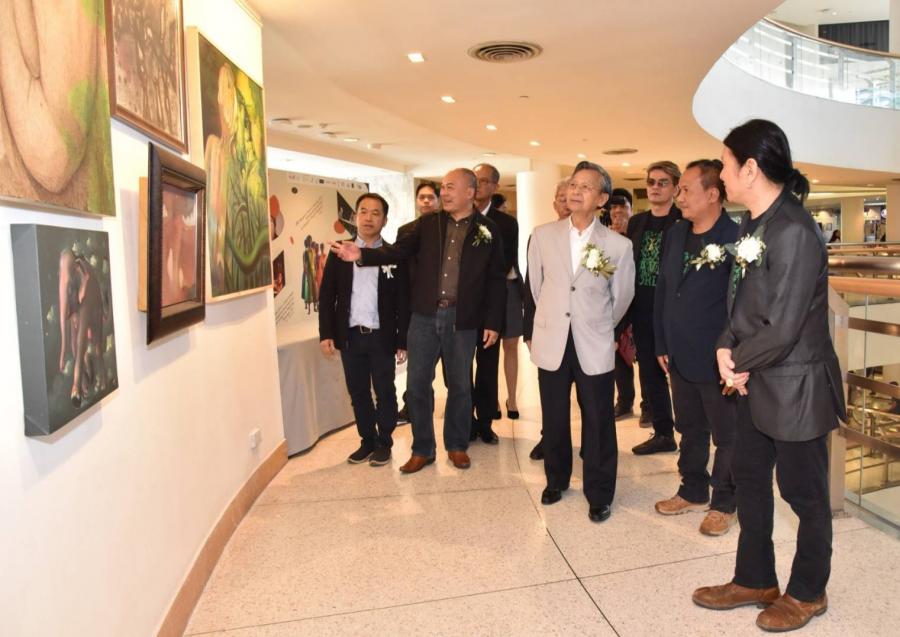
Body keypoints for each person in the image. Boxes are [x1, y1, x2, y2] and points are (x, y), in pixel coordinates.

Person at [692, 119, 846, 633]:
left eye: (725, 164)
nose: (721, 174)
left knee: (804, 494)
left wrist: (736, 363)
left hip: (795, 387)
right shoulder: (751, 224)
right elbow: (740, 305)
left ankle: (809, 590)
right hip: (755, 381)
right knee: (751, 481)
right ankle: (755, 578)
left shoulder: (796, 231)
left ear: (751, 168)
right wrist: (724, 346)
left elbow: (783, 325)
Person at [331, 169, 506, 473]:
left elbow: (495, 278)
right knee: (416, 386)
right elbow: (398, 252)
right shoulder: (428, 224)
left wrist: (493, 321)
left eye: (450, 187)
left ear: (470, 192)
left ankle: (457, 445)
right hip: (424, 315)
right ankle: (423, 449)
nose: (444, 192)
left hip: (462, 319)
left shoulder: (487, 229)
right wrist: (363, 255)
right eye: (443, 187)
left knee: (461, 385)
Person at [524, 161, 635, 522]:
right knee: (554, 416)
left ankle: (600, 493)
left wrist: (598, 324)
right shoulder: (542, 235)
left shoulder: (617, 245)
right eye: (573, 184)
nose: (575, 191)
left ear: (602, 199)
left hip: (594, 340)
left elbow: (621, 297)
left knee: (599, 419)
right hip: (553, 339)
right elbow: (537, 287)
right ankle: (556, 480)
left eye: (586, 187)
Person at [652, 160, 739, 536]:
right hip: (678, 352)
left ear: (713, 194)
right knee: (689, 427)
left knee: (727, 434)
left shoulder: (736, 238)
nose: (679, 196)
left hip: (719, 356)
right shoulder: (676, 233)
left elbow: (742, 304)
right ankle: (692, 489)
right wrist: (661, 341)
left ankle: (725, 502)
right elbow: (664, 289)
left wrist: (734, 353)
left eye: (686, 189)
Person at [319, 193, 409, 466]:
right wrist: (326, 333)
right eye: (363, 211)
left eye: (375, 213)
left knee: (385, 391)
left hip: (381, 335)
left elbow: (404, 301)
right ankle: (367, 440)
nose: (368, 218)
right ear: (355, 216)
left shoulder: (393, 255)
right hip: (350, 335)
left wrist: (402, 340)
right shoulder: (339, 252)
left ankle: (384, 441)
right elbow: (327, 294)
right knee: (358, 392)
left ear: (385, 220)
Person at [628, 161, 682, 452]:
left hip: (674, 312)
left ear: (675, 188)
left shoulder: (683, 221)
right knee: (650, 374)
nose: (655, 187)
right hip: (642, 309)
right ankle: (664, 433)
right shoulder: (637, 223)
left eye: (663, 182)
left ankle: (693, 435)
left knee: (681, 374)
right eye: (651, 182)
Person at [470, 164, 517, 443]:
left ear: (495, 187)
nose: (478, 185)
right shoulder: (454, 217)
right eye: (475, 180)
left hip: (489, 307)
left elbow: (504, 266)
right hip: (459, 308)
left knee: (487, 367)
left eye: (485, 181)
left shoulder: (506, 224)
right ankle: (466, 420)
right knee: (459, 370)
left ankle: (485, 422)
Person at [528, 178, 571, 461]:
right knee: (552, 395)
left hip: (585, 331)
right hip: (550, 328)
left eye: (571, 197)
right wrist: (529, 330)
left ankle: (590, 444)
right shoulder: (540, 236)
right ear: (554, 203)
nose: (566, 203)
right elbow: (532, 286)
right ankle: (551, 440)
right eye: (561, 198)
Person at [396, 181, 442, 424]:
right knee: (419, 369)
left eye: (430, 197)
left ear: (439, 201)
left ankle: (464, 419)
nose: (426, 201)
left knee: (455, 374)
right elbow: (401, 265)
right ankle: (414, 409)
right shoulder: (406, 230)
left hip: (447, 307)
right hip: (417, 305)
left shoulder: (448, 227)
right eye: (421, 197)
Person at [608, 188, 642, 421]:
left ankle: (648, 405)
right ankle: (625, 401)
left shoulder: (638, 235)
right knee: (620, 356)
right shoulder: (605, 237)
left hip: (639, 303)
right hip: (616, 305)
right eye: (614, 207)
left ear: (631, 209)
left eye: (623, 207)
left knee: (644, 357)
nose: (618, 212)